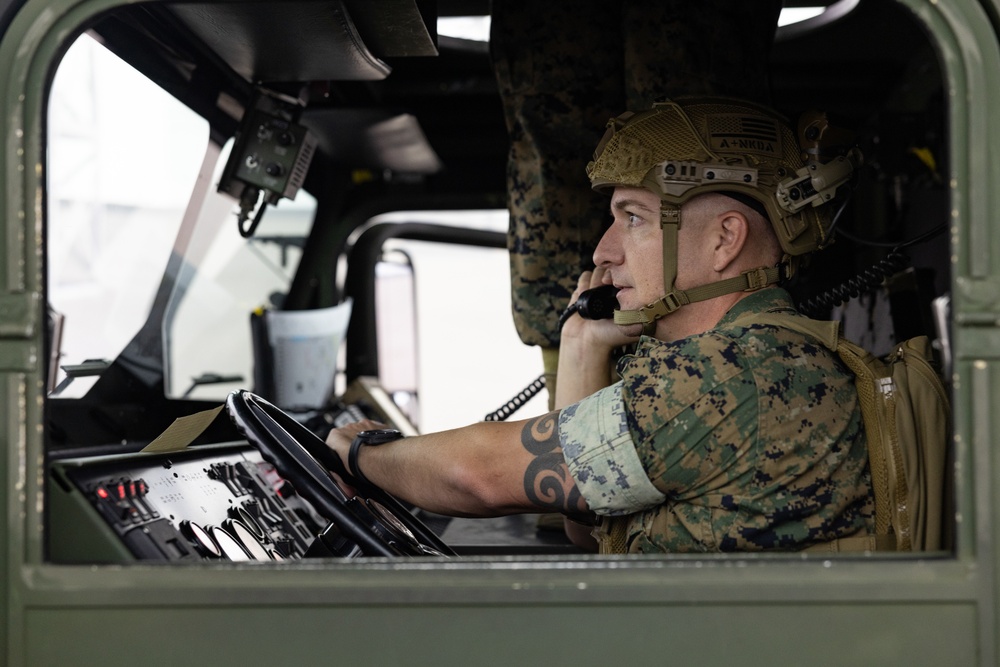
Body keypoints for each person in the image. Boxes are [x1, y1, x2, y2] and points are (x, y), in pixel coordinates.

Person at [326, 96, 875, 554]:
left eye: (633, 218)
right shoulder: (733, 356)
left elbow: (480, 476)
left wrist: (358, 453)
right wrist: (582, 342)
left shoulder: (732, 375)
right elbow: (582, 526)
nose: (602, 252)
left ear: (724, 240)